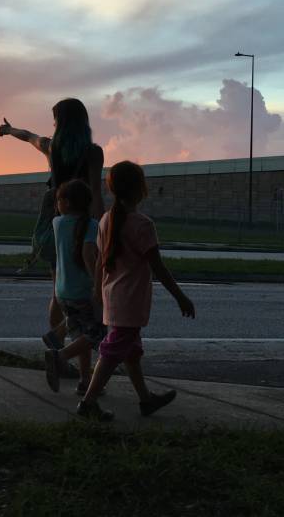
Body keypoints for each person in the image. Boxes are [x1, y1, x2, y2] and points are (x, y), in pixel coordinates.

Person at [76, 160, 196, 422]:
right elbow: (159, 268)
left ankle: (146, 400)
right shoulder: (142, 225)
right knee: (111, 353)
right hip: (129, 301)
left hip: (113, 297)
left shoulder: (106, 219)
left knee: (130, 352)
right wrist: (181, 297)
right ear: (140, 188)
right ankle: (88, 403)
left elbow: (99, 261)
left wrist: (98, 290)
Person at [0, 98, 105, 347]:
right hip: (83, 226)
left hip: (57, 223)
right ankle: (77, 349)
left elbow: (28, 136)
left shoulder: (50, 147)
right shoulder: (93, 153)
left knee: (59, 289)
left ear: (62, 122)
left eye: (55, 119)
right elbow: (97, 196)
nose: (53, 123)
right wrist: (103, 229)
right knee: (90, 288)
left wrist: (7, 130)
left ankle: (58, 346)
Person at [42, 179, 107, 397]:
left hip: (62, 292)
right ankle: (59, 356)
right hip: (82, 291)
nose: (56, 205)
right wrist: (98, 286)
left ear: (67, 203)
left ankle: (84, 379)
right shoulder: (91, 225)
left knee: (81, 335)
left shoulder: (57, 223)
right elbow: (89, 256)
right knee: (97, 332)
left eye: (58, 200)